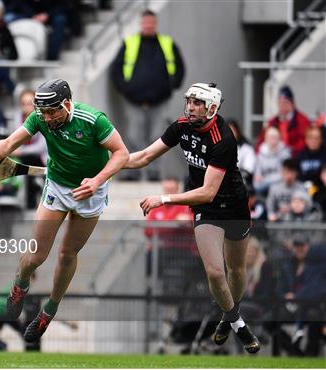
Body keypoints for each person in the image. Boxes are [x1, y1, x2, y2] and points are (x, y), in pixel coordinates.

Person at [0, 78, 129, 342]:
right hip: (57, 186)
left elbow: (121, 154)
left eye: (52, 111)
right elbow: (10, 144)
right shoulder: (38, 118)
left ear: (67, 104)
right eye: (42, 112)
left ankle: (49, 310)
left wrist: (97, 181)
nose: (46, 118)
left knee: (67, 254)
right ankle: (20, 285)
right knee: (36, 255)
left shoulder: (93, 120)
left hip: (90, 191)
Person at [125, 82, 260, 353]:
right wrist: (110, 164)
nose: (191, 107)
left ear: (211, 108)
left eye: (197, 103)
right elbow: (144, 156)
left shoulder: (223, 139)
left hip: (232, 206)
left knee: (235, 268)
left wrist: (163, 199)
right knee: (214, 271)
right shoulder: (181, 127)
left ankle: (228, 316)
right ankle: (238, 323)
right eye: (189, 101)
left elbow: (209, 192)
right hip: (206, 210)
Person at [110, 9, 185, 180]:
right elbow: (116, 70)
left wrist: (171, 86)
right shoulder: (130, 43)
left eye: (152, 23)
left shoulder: (167, 43)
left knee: (157, 138)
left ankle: (154, 173)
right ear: (141, 24)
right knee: (134, 137)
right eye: (146, 23)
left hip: (160, 101)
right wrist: (125, 89)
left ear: (155, 24)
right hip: (134, 101)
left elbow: (180, 68)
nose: (149, 26)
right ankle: (133, 172)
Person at [256, 85, 311, 157]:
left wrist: (292, 151)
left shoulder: (302, 120)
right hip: (274, 157)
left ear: (292, 103)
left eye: (285, 102)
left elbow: (306, 142)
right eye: (280, 102)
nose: (282, 106)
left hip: (295, 158)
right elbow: (261, 141)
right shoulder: (273, 122)